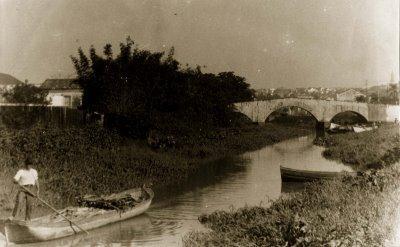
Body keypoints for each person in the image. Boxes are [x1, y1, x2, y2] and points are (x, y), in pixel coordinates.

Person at [10, 157, 39, 221]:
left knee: (29, 205)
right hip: (23, 189)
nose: (29, 166)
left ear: (32, 165)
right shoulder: (21, 171)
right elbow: (14, 179)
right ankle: (12, 216)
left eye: (30, 164)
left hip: (31, 189)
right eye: (28, 164)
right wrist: (16, 181)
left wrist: (38, 190)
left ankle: (27, 220)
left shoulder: (34, 171)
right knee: (19, 201)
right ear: (25, 164)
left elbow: (36, 181)